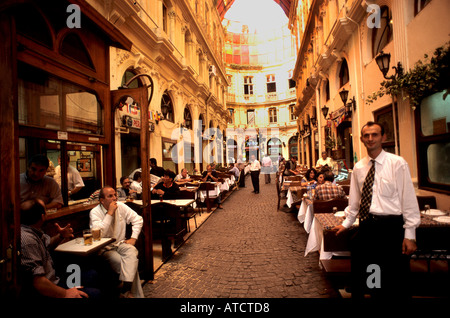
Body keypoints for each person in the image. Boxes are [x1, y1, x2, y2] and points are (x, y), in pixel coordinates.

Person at [333, 121, 420, 298]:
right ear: (362, 139)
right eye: (366, 135)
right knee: (370, 277)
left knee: (393, 279)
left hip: (391, 229)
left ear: (383, 137)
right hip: (367, 228)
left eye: (375, 135)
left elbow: (408, 201)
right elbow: (355, 200)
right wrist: (347, 223)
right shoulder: (359, 168)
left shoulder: (397, 163)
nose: (370, 139)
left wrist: (410, 235)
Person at [20, 199, 100, 298]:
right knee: (95, 293)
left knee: (93, 275)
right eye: (46, 210)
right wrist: (65, 293)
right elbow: (38, 282)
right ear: (42, 217)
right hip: (49, 287)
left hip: (55, 277)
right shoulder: (28, 240)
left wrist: (61, 236)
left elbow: (48, 244)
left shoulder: (34, 230)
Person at [89, 186, 144, 298]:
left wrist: (133, 238)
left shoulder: (121, 206)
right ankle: (131, 294)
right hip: (105, 249)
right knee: (125, 264)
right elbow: (99, 235)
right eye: (110, 196)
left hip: (121, 244)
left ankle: (125, 291)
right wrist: (109, 213)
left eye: (115, 195)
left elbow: (138, 219)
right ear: (102, 200)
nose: (114, 198)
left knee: (132, 252)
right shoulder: (95, 212)